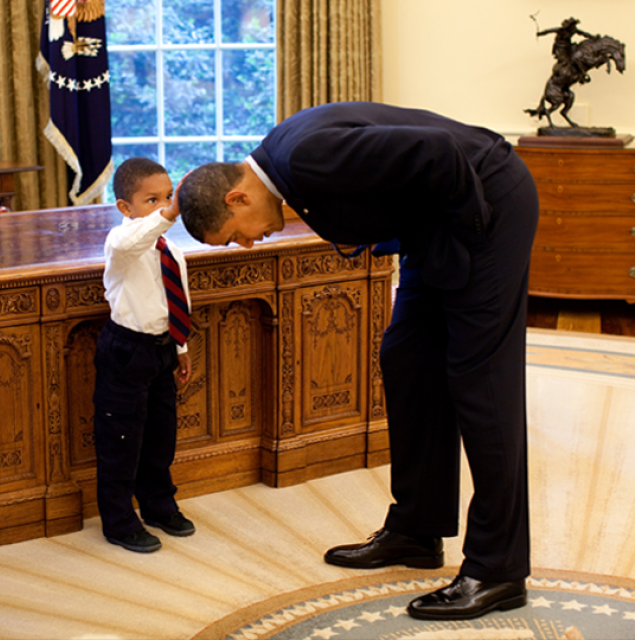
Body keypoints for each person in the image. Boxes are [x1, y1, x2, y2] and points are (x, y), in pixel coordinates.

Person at [177, 101, 539, 620]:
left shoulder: (304, 157)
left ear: (237, 197)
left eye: (235, 233)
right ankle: (417, 530)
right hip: (438, 225)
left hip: (485, 208)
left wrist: (471, 238)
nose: (247, 241)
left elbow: (439, 152)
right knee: (407, 359)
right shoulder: (286, 163)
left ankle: (498, 570)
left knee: (482, 384)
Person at [93, 157, 195, 553]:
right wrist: (169, 213)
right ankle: (118, 521)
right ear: (125, 208)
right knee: (121, 439)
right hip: (126, 351)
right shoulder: (121, 244)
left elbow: (177, 297)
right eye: (151, 199)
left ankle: (158, 504)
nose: (163, 205)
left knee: (159, 435)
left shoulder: (169, 248)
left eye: (168, 197)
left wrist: (181, 347)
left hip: (162, 349)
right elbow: (132, 239)